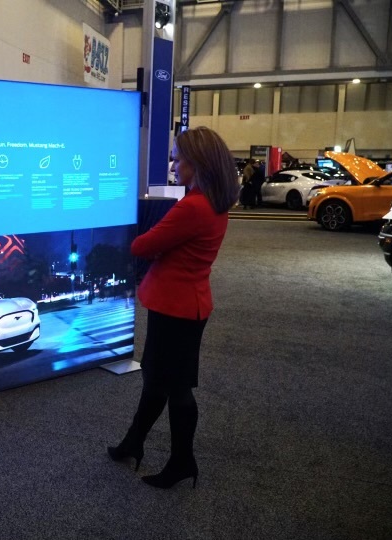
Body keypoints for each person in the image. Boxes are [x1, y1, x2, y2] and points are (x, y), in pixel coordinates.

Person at [107, 126, 239, 489]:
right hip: (186, 303)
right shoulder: (214, 202)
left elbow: (143, 246)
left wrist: (148, 240)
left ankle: (182, 461)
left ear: (197, 163)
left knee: (174, 387)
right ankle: (134, 442)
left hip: (176, 307)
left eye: (179, 158)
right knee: (157, 379)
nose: (175, 164)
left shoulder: (193, 207)